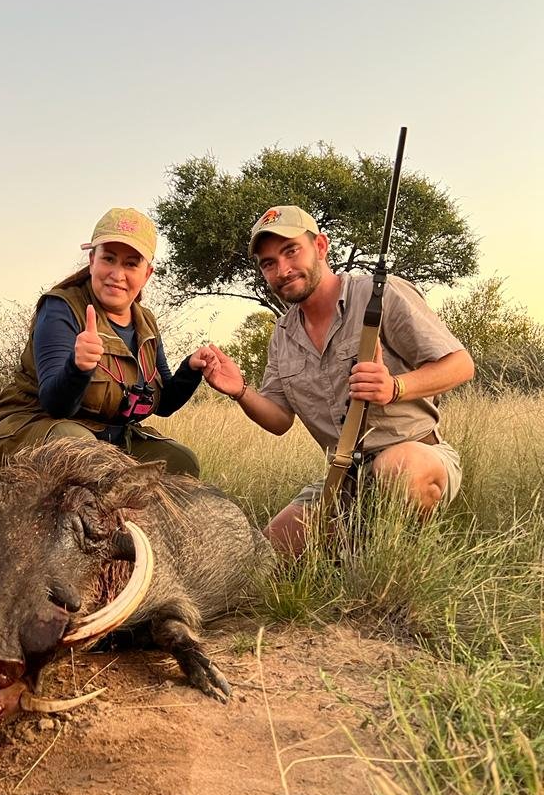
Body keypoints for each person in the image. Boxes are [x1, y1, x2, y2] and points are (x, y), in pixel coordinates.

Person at [202, 205, 475, 554]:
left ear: (320, 247)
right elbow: (280, 420)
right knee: (266, 557)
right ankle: (353, 547)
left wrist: (395, 388)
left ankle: (404, 566)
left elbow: (460, 364)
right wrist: (240, 391)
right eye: (268, 263)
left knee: (399, 469)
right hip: (344, 478)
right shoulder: (282, 335)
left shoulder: (381, 294)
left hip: (415, 456)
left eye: (291, 251)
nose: (282, 270)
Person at [0, 207, 205, 475]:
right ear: (92, 260)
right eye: (109, 259)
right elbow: (56, 404)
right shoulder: (61, 308)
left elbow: (162, 404)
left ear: (147, 274)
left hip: (107, 440)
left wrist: (192, 369)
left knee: (182, 462)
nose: (117, 275)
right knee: (80, 451)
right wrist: (78, 368)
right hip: (34, 429)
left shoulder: (147, 323)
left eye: (131, 263)